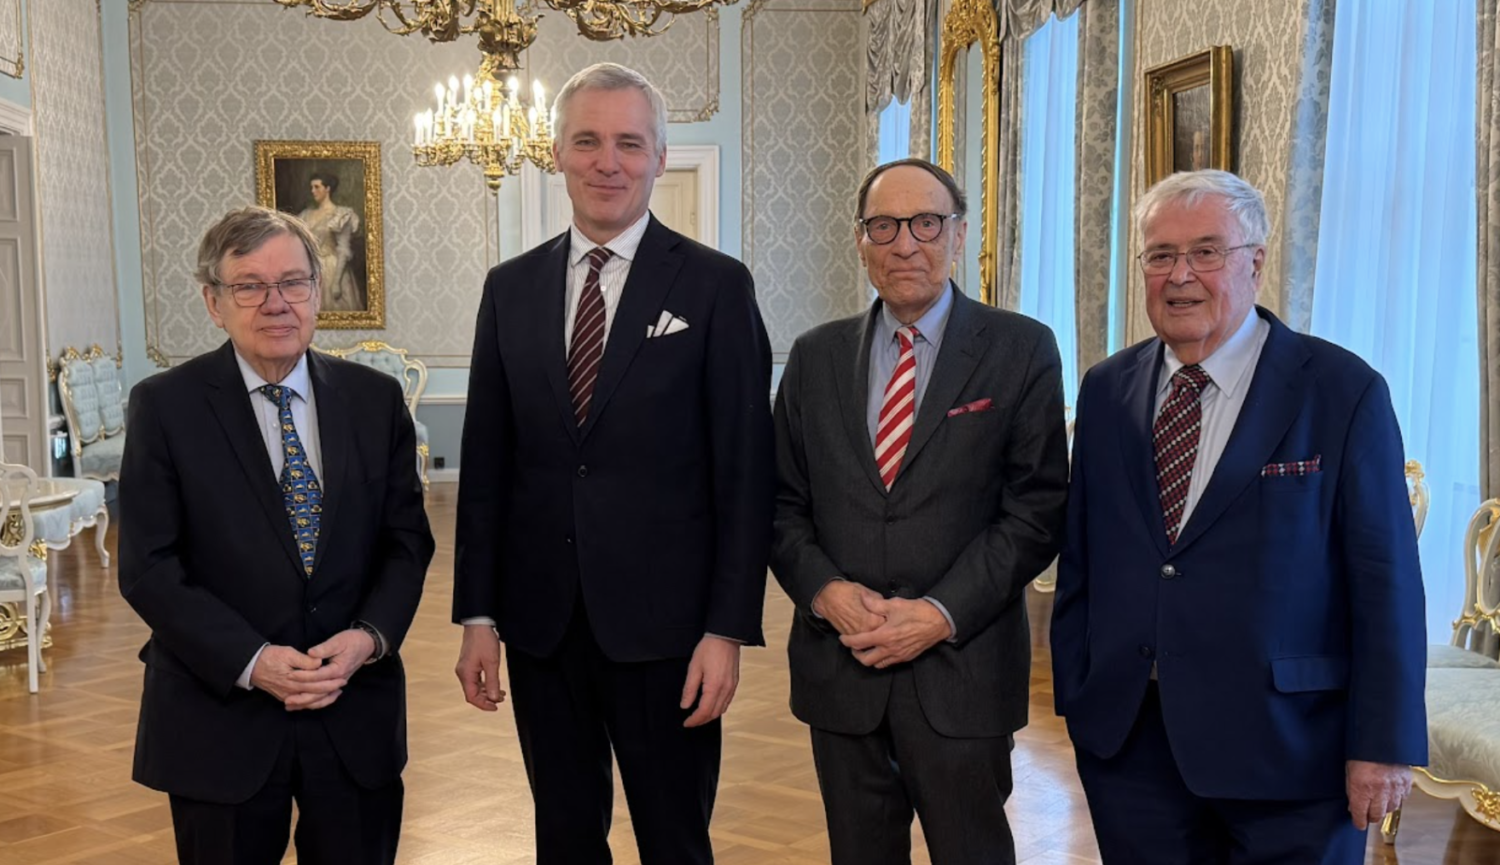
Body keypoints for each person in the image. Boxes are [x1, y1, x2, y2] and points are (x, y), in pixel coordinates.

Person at [1051, 169, 1427, 863]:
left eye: (1206, 252)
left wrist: (1382, 745)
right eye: (1161, 255)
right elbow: (1083, 556)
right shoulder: (1107, 389)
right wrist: (1078, 689)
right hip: (1132, 744)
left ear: (1256, 262)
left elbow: (1387, 582)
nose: (1180, 275)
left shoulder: (1341, 390)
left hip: (1292, 749)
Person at [452, 62, 774, 864]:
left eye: (629, 143)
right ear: (557, 152)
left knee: (675, 840)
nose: (608, 162)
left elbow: (745, 474)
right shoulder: (509, 288)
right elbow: (486, 467)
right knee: (563, 837)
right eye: (588, 141)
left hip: (669, 631)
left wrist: (727, 628)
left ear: (660, 157)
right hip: (541, 625)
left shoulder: (715, 286)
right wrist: (477, 616)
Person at [770, 157, 1069, 865]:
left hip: (962, 672)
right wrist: (826, 593)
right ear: (860, 241)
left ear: (959, 235)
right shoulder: (813, 357)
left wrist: (938, 613)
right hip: (841, 669)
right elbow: (779, 504)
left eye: (927, 223)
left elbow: (1035, 509)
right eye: (884, 225)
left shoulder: (1021, 348)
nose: (905, 243)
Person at [118, 206, 433, 865]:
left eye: (292, 281)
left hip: (352, 706)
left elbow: (406, 542)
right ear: (213, 302)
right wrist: (252, 659)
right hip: (219, 717)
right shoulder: (165, 406)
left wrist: (369, 637)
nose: (275, 302)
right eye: (249, 286)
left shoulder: (375, 401)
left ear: (317, 292)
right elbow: (149, 565)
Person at [298, 172, 363, 311]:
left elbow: (343, 249)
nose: (312, 191)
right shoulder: (306, 214)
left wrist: (336, 282)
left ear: (327, 189)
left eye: (317, 187)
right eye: (311, 187)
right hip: (311, 269)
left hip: (332, 269)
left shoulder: (341, 215)